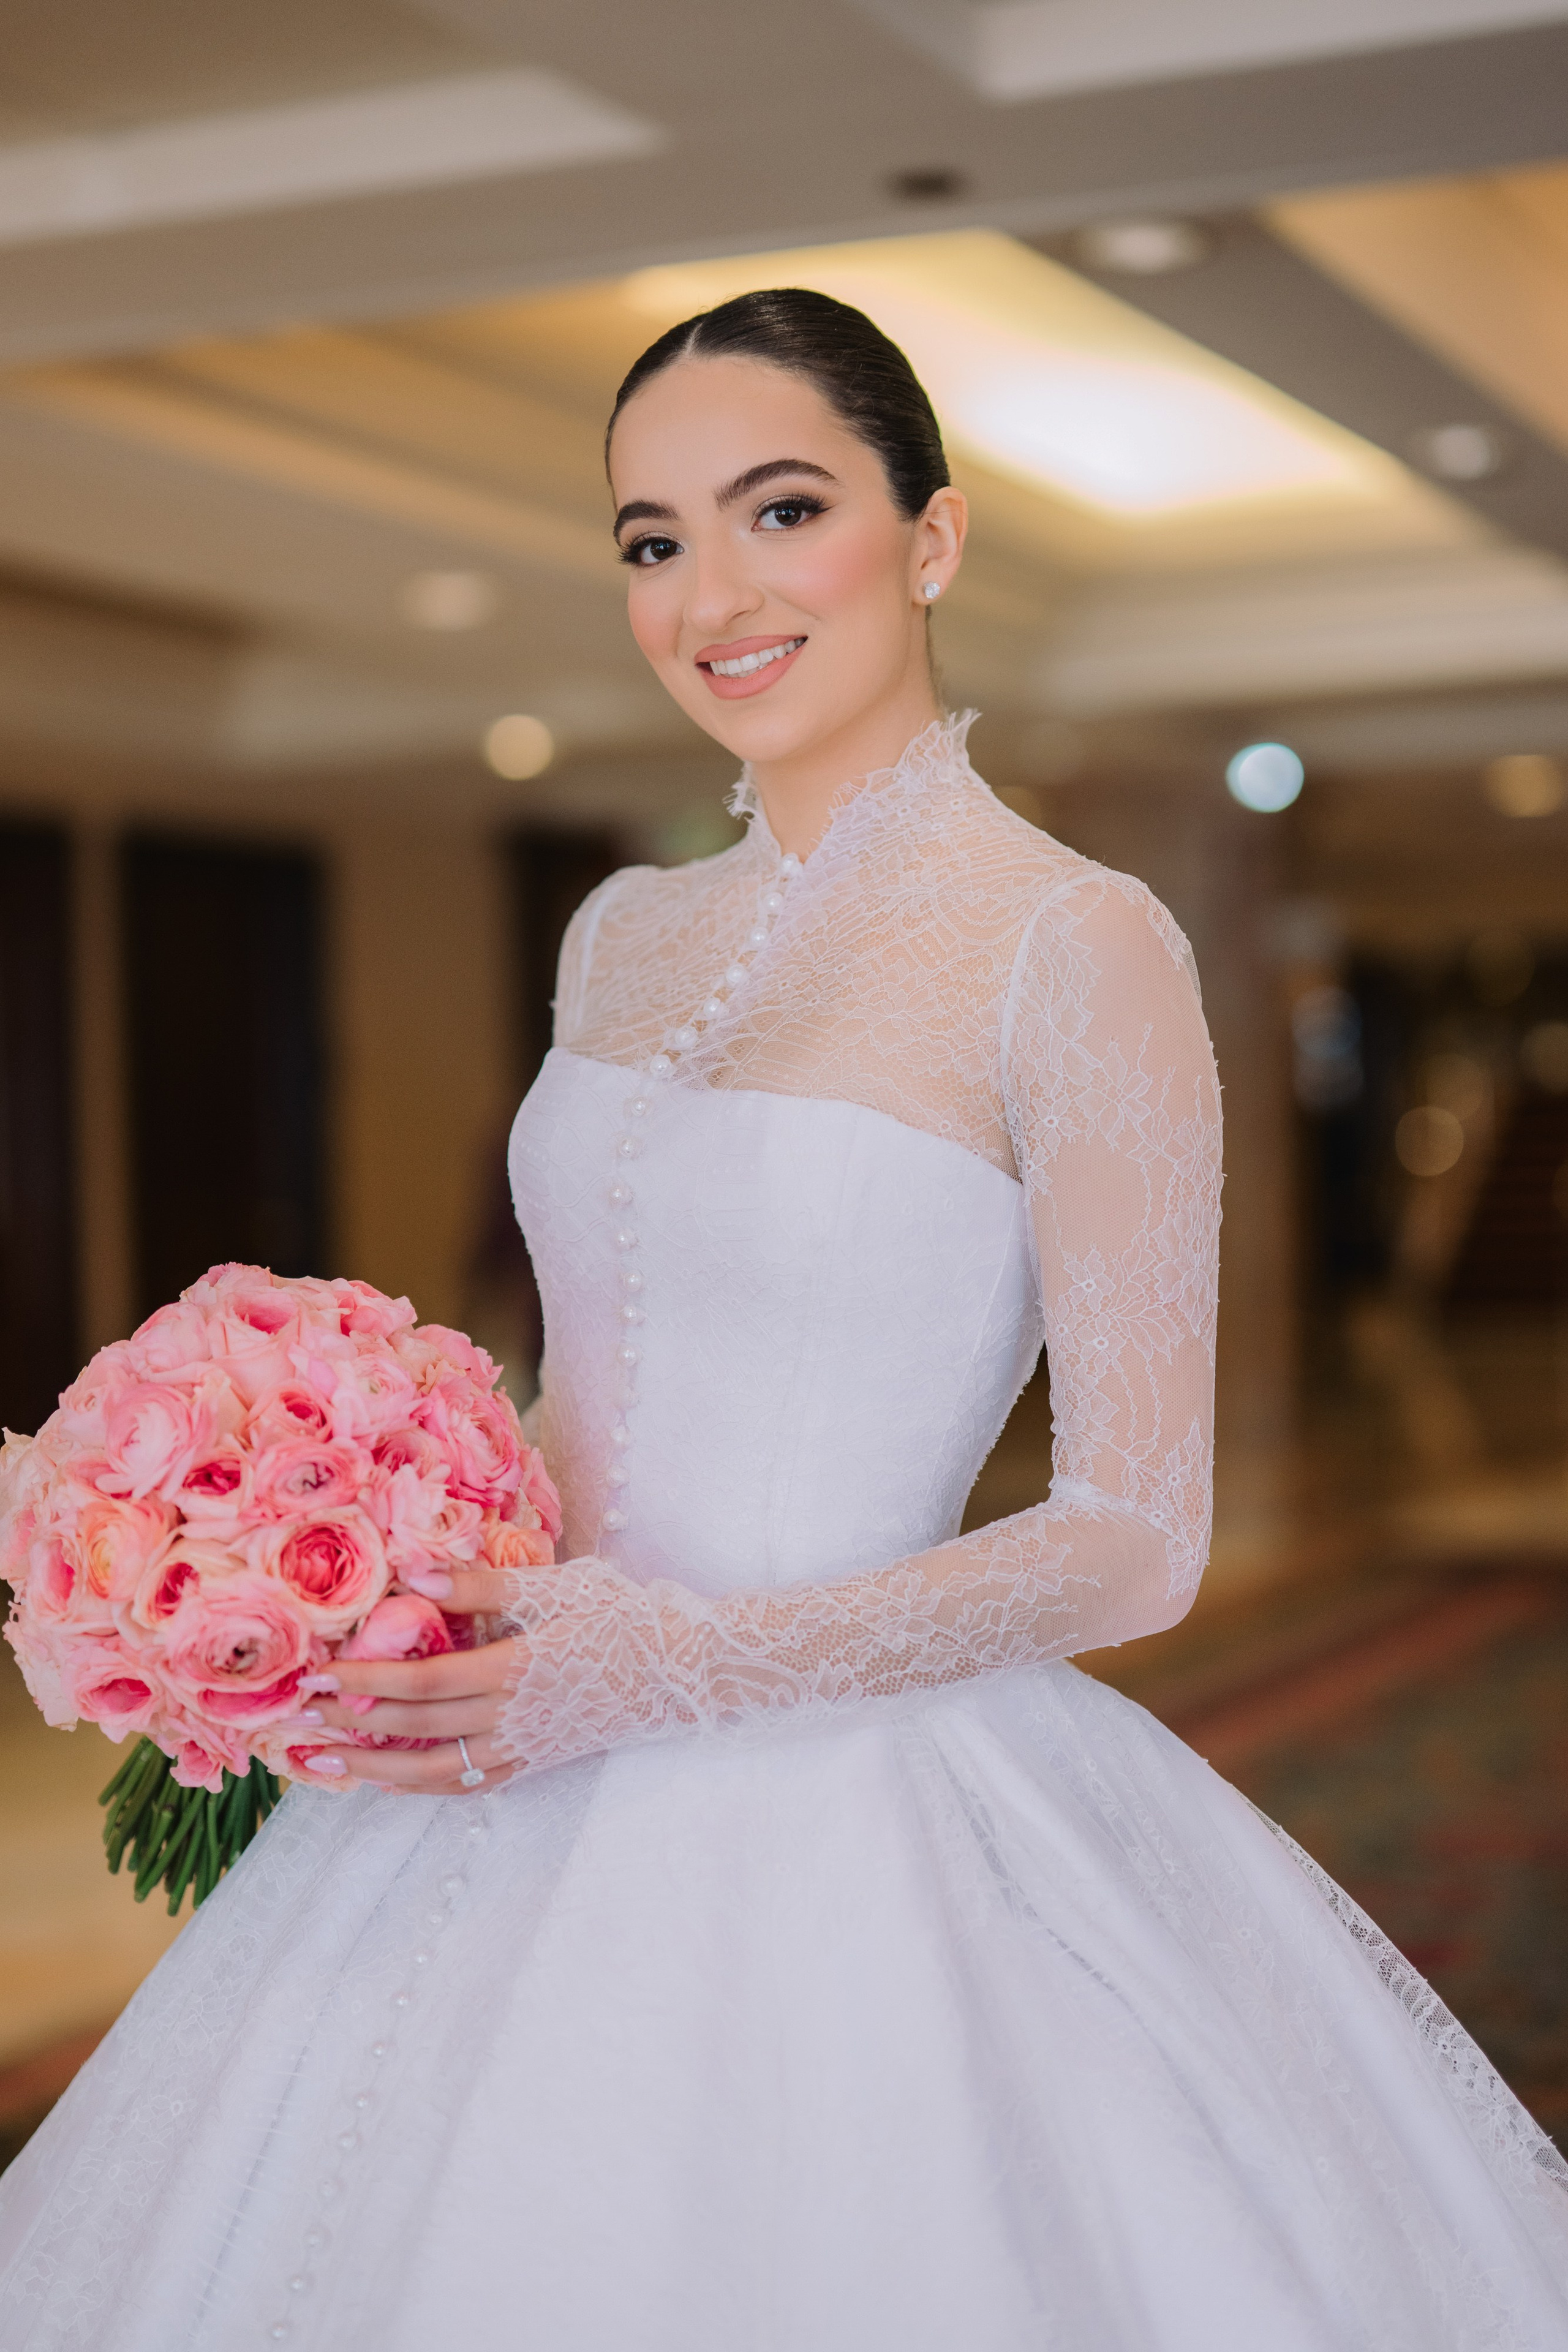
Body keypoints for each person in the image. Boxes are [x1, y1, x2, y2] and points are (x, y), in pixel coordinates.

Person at [2, 290, 1566, 2352]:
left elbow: (1139, 1532)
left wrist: (689, 1668)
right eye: (653, 539)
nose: (709, 594)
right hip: (518, 1730)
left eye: (781, 509)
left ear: (932, 536)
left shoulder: (1080, 943)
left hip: (851, 1778)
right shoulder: (619, 930)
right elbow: (594, 1387)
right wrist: (368, 1547)